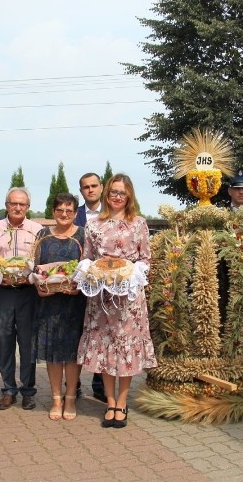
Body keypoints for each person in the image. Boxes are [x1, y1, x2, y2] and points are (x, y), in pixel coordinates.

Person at [77, 174, 157, 428]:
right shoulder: (94, 225)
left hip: (128, 300)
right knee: (105, 349)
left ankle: (122, 403)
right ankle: (109, 402)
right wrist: (93, 270)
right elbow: (87, 258)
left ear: (129, 195)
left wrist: (129, 272)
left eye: (122, 193)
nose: (117, 197)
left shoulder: (139, 224)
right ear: (106, 194)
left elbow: (146, 260)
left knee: (126, 349)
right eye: (113, 192)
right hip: (101, 298)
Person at [0, 187, 43, 411]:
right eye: (13, 203)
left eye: (22, 204)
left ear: (28, 207)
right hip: (1, 293)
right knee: (4, 342)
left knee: (28, 344)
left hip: (28, 293)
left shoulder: (37, 230)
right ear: (6, 205)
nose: (17, 208)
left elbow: (40, 263)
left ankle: (28, 390)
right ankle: (9, 390)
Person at [33, 192, 87, 421]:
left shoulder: (84, 236)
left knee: (73, 353)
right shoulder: (43, 235)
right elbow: (34, 267)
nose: (64, 215)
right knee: (54, 353)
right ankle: (56, 398)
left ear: (75, 213)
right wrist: (38, 284)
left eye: (69, 211)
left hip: (75, 302)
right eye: (59, 210)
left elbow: (89, 267)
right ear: (53, 211)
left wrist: (80, 285)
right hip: (49, 302)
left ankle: (71, 397)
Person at [74, 172, 105, 401]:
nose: (90, 190)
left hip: (104, 285)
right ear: (81, 190)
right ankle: (72, 384)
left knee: (102, 333)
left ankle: (100, 384)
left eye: (94, 186)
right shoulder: (75, 214)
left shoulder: (111, 212)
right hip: (78, 285)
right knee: (76, 332)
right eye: (86, 187)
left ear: (101, 187)